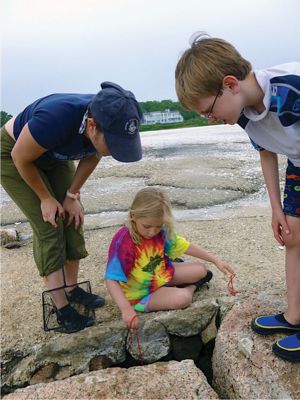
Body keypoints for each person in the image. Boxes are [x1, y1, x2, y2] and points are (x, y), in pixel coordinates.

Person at [175, 32, 300, 363]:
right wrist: (276, 209)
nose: (209, 118)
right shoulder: (243, 112)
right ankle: (295, 316)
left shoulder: (290, 89)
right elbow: (268, 152)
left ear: (230, 84)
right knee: (293, 237)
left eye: (208, 110)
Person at [1, 81, 143, 333]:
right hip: (14, 154)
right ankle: (61, 306)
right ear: (91, 126)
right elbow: (21, 157)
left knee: (72, 216)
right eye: (112, 144)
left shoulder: (107, 115)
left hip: (52, 154)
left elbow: (93, 155)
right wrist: (45, 197)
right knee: (50, 224)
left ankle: (72, 288)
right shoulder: (56, 117)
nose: (113, 151)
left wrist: (71, 196)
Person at [104, 187, 234, 329]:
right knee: (183, 299)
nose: (153, 232)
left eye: (158, 226)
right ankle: (192, 287)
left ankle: (173, 285)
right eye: (147, 226)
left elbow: (187, 247)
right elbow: (111, 279)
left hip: (161, 274)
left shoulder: (161, 232)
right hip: (139, 293)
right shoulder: (123, 241)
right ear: (133, 216)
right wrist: (125, 309)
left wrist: (215, 260)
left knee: (201, 270)